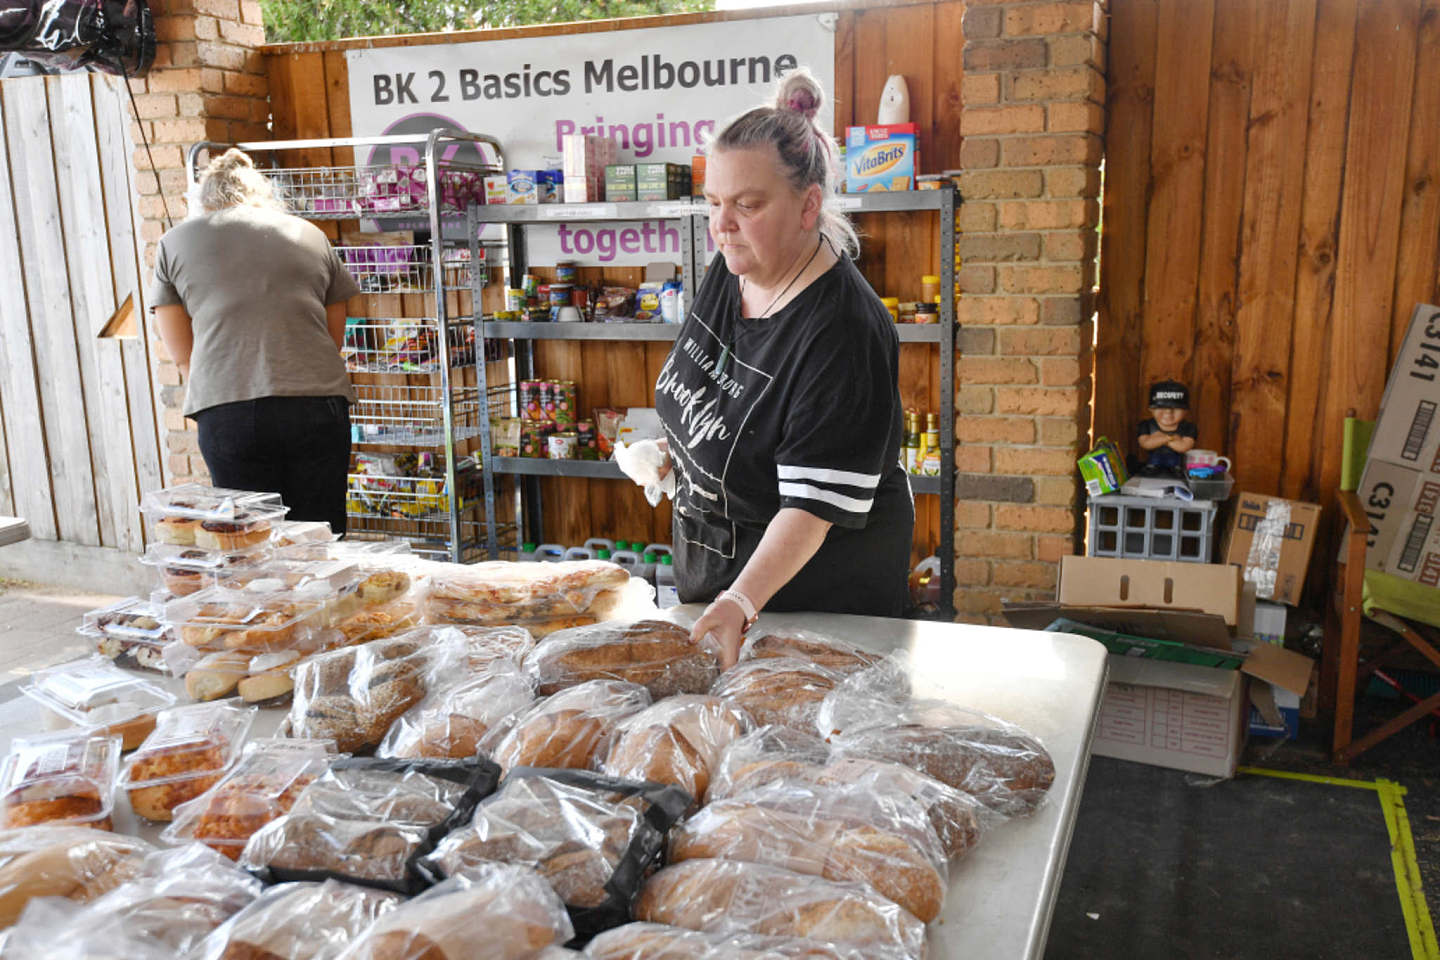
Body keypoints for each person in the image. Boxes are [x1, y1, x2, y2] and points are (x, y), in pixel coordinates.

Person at [651, 67, 914, 667]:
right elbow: (715, 389)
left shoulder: (843, 331)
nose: (721, 225)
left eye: (747, 204)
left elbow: (811, 507)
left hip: (810, 617)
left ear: (807, 207)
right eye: (714, 202)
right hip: (719, 594)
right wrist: (683, 449)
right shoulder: (734, 264)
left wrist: (741, 600)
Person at [150, 148, 360, 534]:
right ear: (264, 194)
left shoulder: (174, 243)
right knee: (320, 537)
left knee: (250, 543)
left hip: (228, 407)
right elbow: (333, 338)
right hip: (316, 405)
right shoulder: (309, 234)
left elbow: (183, 356)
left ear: (202, 199)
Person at [1136, 379, 1196, 478]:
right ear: (1151, 410)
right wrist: (1171, 439)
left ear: (1185, 411)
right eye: (1162, 407)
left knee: (1176, 468)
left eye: (1175, 408)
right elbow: (1145, 444)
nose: (1168, 412)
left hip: (1176, 461)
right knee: (1151, 467)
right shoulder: (1146, 425)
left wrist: (1161, 438)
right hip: (1154, 461)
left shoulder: (1188, 427)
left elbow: (1184, 446)